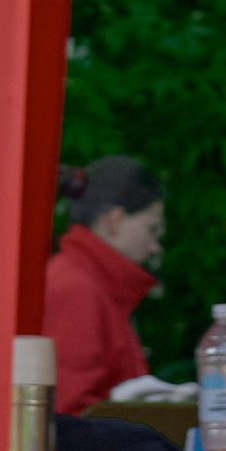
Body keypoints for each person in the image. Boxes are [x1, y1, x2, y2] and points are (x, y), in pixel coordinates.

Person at [43, 156, 166, 415]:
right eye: (151, 230)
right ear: (115, 220)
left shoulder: (92, 285)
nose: (154, 247)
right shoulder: (75, 288)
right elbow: (69, 412)